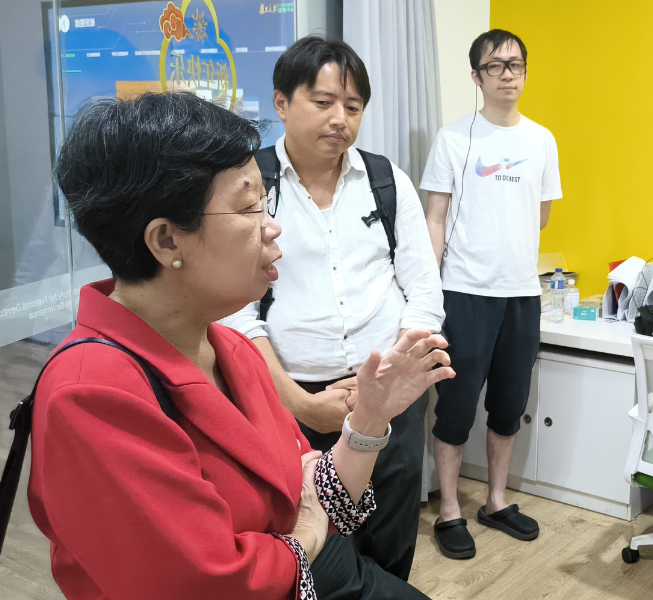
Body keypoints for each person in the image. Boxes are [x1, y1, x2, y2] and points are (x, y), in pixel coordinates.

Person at [28, 91, 453, 600]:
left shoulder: (229, 348)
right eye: (250, 208)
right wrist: (306, 537)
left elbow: (313, 491)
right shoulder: (93, 396)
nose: (274, 228)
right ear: (166, 241)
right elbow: (209, 582)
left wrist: (367, 420)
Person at [220, 36, 442, 597]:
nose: (339, 119)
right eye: (322, 102)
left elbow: (422, 290)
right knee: (303, 542)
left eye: (353, 106)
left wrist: (389, 383)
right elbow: (234, 313)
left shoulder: (388, 180)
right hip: (283, 398)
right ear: (280, 102)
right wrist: (298, 401)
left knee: (389, 533)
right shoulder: (250, 188)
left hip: (389, 397)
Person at [420, 28, 561, 560]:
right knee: (456, 405)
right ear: (476, 76)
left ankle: (497, 501)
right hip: (464, 292)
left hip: (522, 294)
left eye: (516, 64)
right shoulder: (454, 139)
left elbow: (540, 216)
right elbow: (435, 218)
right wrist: (428, 299)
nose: (508, 74)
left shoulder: (541, 140)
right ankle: (451, 508)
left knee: (509, 404)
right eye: (496, 65)